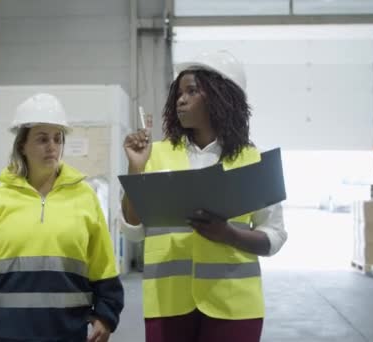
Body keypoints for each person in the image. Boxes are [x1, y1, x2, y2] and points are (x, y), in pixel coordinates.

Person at [121, 51, 287, 342]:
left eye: (192, 91)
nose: (180, 100)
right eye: (179, 93)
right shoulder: (155, 155)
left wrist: (229, 235)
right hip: (168, 303)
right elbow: (134, 231)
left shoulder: (252, 160)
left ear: (221, 97)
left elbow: (274, 236)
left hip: (235, 307)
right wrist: (136, 168)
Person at [0, 93, 124, 342]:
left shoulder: (85, 198)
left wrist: (106, 316)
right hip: (5, 336)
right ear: (22, 145)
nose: (52, 146)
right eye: (42, 139)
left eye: (57, 138)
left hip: (68, 335)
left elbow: (104, 267)